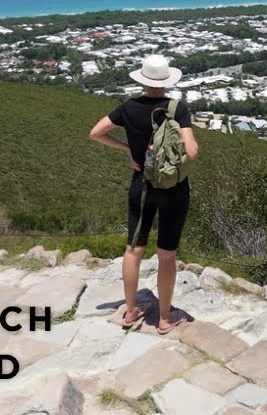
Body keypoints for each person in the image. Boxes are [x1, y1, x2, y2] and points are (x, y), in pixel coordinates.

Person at [88, 53, 199, 334]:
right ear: (166, 81)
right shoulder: (177, 108)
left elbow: (96, 133)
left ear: (143, 79)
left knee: (134, 249)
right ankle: (164, 318)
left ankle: (130, 311)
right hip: (174, 189)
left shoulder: (128, 107)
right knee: (166, 254)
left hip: (142, 186)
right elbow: (192, 152)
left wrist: (128, 150)